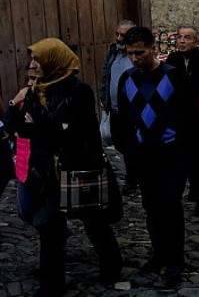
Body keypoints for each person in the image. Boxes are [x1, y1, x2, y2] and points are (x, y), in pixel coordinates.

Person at [7, 38, 123, 296]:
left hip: (78, 166)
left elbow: (73, 133)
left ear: (54, 61)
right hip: (47, 172)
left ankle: (112, 265)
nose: (33, 65)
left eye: (39, 59)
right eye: (32, 60)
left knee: (94, 221)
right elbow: (16, 126)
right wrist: (15, 105)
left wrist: (37, 125)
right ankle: (52, 283)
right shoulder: (33, 91)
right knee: (49, 225)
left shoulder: (78, 91)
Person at [114, 27, 188, 286]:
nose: (134, 58)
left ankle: (175, 261)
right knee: (151, 208)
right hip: (143, 156)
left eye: (140, 52)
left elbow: (188, 117)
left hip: (170, 156)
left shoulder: (174, 76)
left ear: (153, 48)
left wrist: (181, 148)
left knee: (170, 207)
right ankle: (159, 254)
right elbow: (123, 118)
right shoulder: (127, 79)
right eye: (130, 53)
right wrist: (129, 151)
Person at [166, 26, 199, 217]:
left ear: (196, 41)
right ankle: (191, 190)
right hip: (179, 119)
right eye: (179, 37)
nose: (182, 41)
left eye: (187, 38)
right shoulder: (173, 60)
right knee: (182, 158)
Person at [100, 19, 137, 193]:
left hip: (133, 110)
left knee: (132, 145)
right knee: (120, 143)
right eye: (117, 34)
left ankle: (133, 179)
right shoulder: (113, 52)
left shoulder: (136, 55)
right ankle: (132, 175)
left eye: (124, 35)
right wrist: (104, 98)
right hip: (114, 109)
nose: (119, 38)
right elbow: (106, 76)